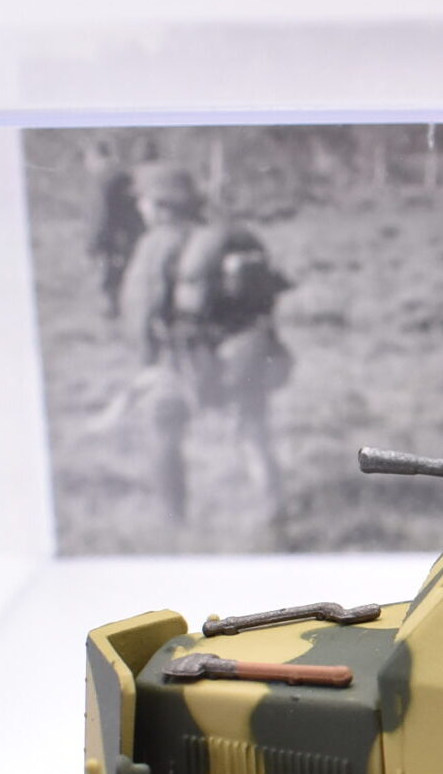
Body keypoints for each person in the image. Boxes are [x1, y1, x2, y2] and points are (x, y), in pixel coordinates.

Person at [119, 162, 295, 532]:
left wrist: (145, 363)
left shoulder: (156, 244)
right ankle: (273, 508)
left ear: (161, 205)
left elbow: (141, 311)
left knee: (164, 432)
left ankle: (172, 522)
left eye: (144, 200)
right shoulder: (228, 236)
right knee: (253, 431)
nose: (139, 207)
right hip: (243, 351)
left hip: (181, 358)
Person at [82, 140, 145, 319]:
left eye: (87, 159)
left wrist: (92, 245)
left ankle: (113, 321)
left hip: (109, 242)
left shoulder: (102, 179)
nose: (87, 165)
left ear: (94, 157)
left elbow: (99, 214)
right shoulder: (124, 175)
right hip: (129, 238)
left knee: (108, 285)